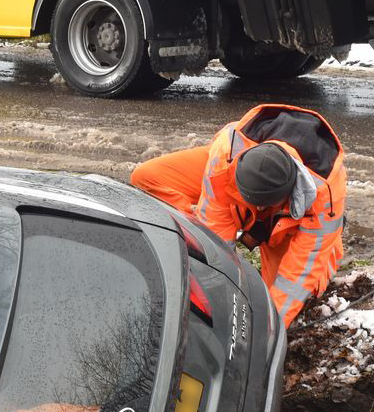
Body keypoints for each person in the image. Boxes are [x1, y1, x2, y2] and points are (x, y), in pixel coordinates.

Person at [131, 104, 346, 328]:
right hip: (229, 182)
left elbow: (299, 275)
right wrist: (216, 297)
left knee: (281, 299)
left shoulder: (325, 197)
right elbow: (216, 240)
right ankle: (189, 232)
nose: (259, 210)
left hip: (291, 228)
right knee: (148, 177)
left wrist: (268, 329)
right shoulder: (225, 160)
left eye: (263, 206)